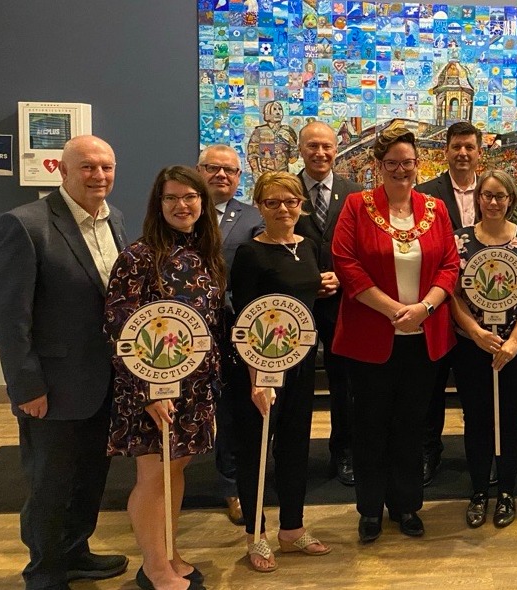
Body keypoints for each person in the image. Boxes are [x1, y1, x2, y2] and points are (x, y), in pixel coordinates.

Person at [0, 135, 129, 590]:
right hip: (52, 386)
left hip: (105, 382)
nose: (99, 176)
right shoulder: (25, 224)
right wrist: (26, 387)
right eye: (88, 167)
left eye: (106, 167)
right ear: (62, 170)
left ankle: (76, 552)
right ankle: (45, 572)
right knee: (49, 484)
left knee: (91, 476)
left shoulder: (116, 222)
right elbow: (10, 317)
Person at [332, 127, 458, 543]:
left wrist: (424, 308)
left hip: (424, 336)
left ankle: (406, 505)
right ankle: (370, 509)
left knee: (411, 424)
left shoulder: (435, 208)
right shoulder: (356, 205)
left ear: (417, 163)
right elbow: (346, 263)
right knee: (369, 425)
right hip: (372, 335)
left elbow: (450, 267)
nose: (401, 170)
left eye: (407, 162)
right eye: (392, 163)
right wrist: (392, 311)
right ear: (378, 166)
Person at [105, 165, 225, 590]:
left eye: (190, 197)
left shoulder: (202, 253)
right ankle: (155, 567)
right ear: (158, 205)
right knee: (153, 477)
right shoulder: (139, 257)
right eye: (171, 198)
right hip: (152, 391)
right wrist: (149, 391)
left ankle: (169, 550)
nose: (182, 205)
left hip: (195, 388)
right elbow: (122, 329)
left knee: (176, 472)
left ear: (202, 203)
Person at [230, 171, 330, 573]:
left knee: (295, 445)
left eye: (290, 201)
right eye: (272, 203)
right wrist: (257, 377)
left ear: (301, 205)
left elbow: (304, 291)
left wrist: (325, 284)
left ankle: (292, 529)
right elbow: (244, 315)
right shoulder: (249, 253)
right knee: (255, 450)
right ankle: (256, 535)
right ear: (259, 206)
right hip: (260, 367)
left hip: (301, 360)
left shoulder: (307, 246)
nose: (283, 209)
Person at [450, 170, 517, 528]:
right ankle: (478, 491)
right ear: (478, 199)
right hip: (472, 347)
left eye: (500, 196)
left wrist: (515, 341)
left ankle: (506, 491)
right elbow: (452, 295)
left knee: (510, 418)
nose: (493, 202)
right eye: (487, 195)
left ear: (511, 200)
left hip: (515, 347)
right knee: (476, 419)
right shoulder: (459, 241)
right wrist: (475, 332)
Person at [293, 121, 363, 487]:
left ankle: (345, 452)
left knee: (344, 384)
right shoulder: (286, 191)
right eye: (312, 146)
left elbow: (364, 247)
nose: (320, 153)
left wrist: (342, 276)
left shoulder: (355, 194)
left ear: (336, 150)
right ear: (300, 150)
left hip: (343, 303)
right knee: (295, 384)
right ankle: (291, 456)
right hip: (298, 306)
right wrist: (306, 280)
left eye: (327, 147)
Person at [197, 145, 264, 526]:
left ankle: (232, 486)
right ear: (199, 170)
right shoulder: (179, 211)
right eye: (213, 168)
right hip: (187, 330)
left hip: (233, 326)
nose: (221, 175)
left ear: (240, 177)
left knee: (233, 409)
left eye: (230, 170)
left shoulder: (253, 217)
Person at [416, 121, 483, 485]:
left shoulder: (493, 191)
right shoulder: (426, 194)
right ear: (447, 150)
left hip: (486, 306)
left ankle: (482, 452)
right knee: (432, 386)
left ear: (478, 152)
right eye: (456, 146)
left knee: (477, 387)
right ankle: (428, 450)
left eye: (469, 147)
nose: (462, 153)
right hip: (440, 304)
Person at [245, 100, 299, 176]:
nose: (278, 112)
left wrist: (291, 143)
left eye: (280, 109)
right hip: (266, 175)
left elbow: (293, 159)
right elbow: (252, 156)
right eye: (274, 109)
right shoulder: (258, 132)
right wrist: (256, 173)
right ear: (267, 113)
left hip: (284, 175)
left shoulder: (288, 131)